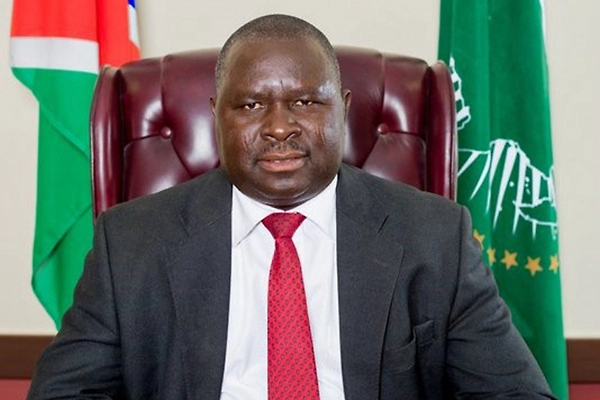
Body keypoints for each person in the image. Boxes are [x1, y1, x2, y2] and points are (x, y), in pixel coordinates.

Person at [27, 14, 556, 400]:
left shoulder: (435, 237)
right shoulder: (131, 243)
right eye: (250, 104)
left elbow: (513, 393)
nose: (279, 127)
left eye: (305, 102)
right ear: (216, 116)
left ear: (342, 110)